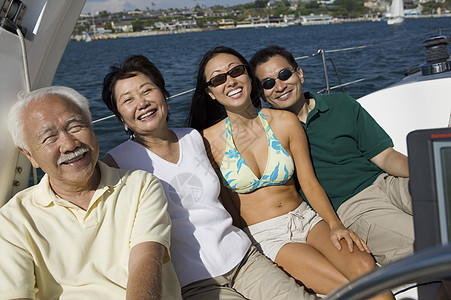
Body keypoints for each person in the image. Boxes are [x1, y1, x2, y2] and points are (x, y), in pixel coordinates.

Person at [101, 54, 317, 300]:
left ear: (164, 95)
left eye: (147, 91)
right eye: (128, 100)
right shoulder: (117, 163)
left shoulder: (194, 138)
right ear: (120, 116)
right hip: (196, 283)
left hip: (244, 259)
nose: (142, 103)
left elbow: (228, 196)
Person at [188, 46, 394, 299]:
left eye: (236, 71)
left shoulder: (285, 122)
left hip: (306, 218)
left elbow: (309, 183)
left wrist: (335, 224)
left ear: (248, 75)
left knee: (367, 271)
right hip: (266, 235)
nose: (230, 80)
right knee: (346, 288)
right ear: (210, 92)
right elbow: (228, 207)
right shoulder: (206, 142)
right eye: (219, 78)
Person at [0, 86, 182, 300]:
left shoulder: (140, 186)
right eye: (49, 138)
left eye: (76, 126)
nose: (69, 144)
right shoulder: (12, 221)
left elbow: (146, 262)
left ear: (91, 127)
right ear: (29, 155)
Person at [249, 45, 413, 266]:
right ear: (262, 94)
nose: (279, 86)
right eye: (268, 84)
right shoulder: (271, 138)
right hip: (354, 206)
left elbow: (385, 157)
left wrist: (429, 172)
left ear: (300, 73)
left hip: (388, 182)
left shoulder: (342, 105)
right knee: (427, 241)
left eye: (284, 74)